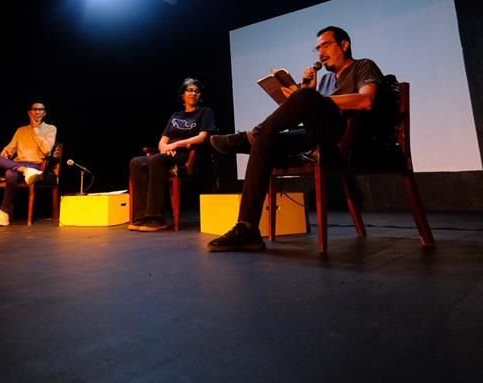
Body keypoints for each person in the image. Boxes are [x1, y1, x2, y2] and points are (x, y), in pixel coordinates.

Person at [207, 26, 385, 251]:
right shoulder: (327, 81)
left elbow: (365, 101)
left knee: (289, 112)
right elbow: (314, 117)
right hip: (317, 137)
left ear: (345, 44)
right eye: (317, 48)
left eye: (326, 45)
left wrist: (312, 98)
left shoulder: (363, 66)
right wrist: (303, 96)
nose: (320, 52)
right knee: (267, 141)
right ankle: (247, 228)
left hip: (348, 141)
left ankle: (251, 136)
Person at [128, 78, 216, 231]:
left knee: (157, 160)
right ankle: (141, 216)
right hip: (168, 153)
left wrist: (174, 145)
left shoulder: (205, 112)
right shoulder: (176, 116)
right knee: (137, 162)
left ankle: (156, 218)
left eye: (197, 91)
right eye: (189, 90)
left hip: (187, 155)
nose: (193, 93)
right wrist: (165, 148)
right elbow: (162, 141)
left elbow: (202, 137)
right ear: (182, 95)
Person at [0, 102, 57, 226]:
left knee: (9, 173)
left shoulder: (50, 128)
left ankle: (3, 213)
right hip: (19, 164)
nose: (37, 112)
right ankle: (23, 169)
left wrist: (36, 130)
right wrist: (5, 154)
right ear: (30, 113)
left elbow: (47, 150)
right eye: (34, 109)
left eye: (40, 109)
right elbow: (10, 148)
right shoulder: (21, 130)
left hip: (35, 165)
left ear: (44, 113)